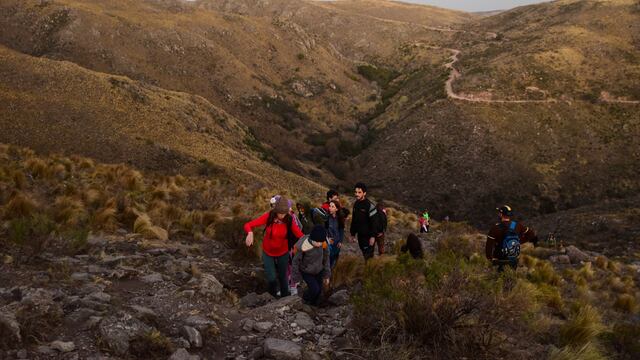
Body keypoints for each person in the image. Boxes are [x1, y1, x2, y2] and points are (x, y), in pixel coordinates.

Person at [244, 196, 304, 298]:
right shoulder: (269, 216)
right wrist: (250, 233)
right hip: (268, 252)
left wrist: (312, 241)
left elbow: (300, 235)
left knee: (283, 277)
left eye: (284, 213)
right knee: (271, 278)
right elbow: (248, 225)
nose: (281, 216)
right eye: (279, 213)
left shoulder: (289, 220)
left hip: (283, 252)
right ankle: (272, 297)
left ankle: (285, 297)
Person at [486, 205, 538, 271]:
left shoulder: (495, 228)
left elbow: (489, 245)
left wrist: (490, 259)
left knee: (499, 278)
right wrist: (519, 241)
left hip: (499, 260)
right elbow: (531, 234)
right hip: (514, 259)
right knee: (510, 278)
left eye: (499, 212)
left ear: (501, 214)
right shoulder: (517, 225)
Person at [292, 225, 331, 306]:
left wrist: (326, 275)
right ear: (312, 238)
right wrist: (296, 278)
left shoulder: (323, 244)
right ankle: (305, 298)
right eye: (317, 242)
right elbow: (295, 262)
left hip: (319, 271)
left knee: (319, 290)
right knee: (315, 290)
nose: (319, 244)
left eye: (321, 242)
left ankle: (313, 305)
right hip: (307, 271)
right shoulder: (303, 246)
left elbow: (326, 259)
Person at [349, 182, 381, 261]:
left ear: (364, 193)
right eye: (356, 192)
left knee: (368, 257)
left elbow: (375, 222)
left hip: (369, 236)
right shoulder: (356, 204)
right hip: (360, 236)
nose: (357, 194)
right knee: (365, 254)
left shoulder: (370, 206)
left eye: (359, 192)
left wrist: (373, 237)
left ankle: (370, 271)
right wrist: (352, 234)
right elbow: (354, 220)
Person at [325, 200, 346, 269]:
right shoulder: (327, 217)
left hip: (337, 243)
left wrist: (340, 241)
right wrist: (327, 239)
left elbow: (341, 230)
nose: (330, 208)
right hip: (329, 242)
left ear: (336, 209)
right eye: (329, 206)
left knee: (335, 258)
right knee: (328, 258)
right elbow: (325, 229)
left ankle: (332, 273)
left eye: (332, 206)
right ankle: (327, 275)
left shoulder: (340, 218)